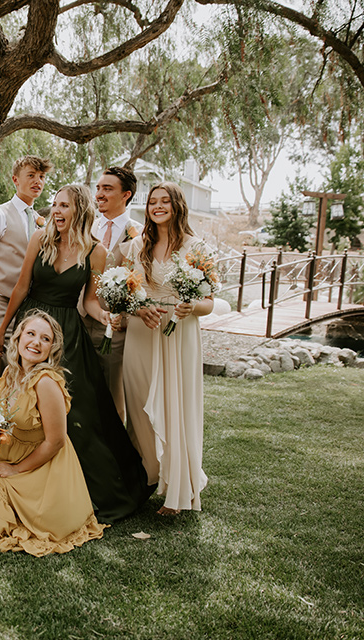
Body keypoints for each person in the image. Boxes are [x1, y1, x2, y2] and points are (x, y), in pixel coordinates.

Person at [0, 184, 148, 523]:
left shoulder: (96, 252)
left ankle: (88, 491)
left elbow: (90, 300)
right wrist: (5, 328)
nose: (56, 211)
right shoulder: (40, 239)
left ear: (79, 210)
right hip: (33, 324)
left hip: (67, 335)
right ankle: (24, 474)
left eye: (64, 205)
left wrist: (104, 315)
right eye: (55, 205)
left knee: (81, 413)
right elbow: (21, 286)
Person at [0, 311, 107, 555]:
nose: (36, 342)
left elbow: (56, 442)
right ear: (18, 338)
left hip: (44, 466)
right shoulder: (10, 373)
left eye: (45, 339)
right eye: (31, 334)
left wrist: (16, 470)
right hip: (13, 448)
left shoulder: (46, 383)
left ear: (52, 348)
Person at [119, 182, 212, 515]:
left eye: (164, 201)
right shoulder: (135, 247)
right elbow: (121, 292)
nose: (157, 206)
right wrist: (136, 308)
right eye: (152, 201)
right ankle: (150, 474)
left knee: (175, 406)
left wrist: (192, 308)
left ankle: (180, 489)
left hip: (178, 332)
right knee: (140, 404)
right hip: (142, 331)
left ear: (177, 205)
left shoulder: (196, 247)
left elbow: (210, 301)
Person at [0, 155, 54, 404]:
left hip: (32, 310)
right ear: (15, 180)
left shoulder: (41, 220)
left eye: (41, 177)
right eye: (31, 175)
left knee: (24, 378)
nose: (37, 181)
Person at [82, 166, 142, 423]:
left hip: (118, 329)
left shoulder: (139, 233)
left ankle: (117, 456)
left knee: (115, 398)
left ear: (126, 195)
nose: (99, 194)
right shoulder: (85, 227)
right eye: (98, 188)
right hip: (81, 321)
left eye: (107, 188)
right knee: (83, 393)